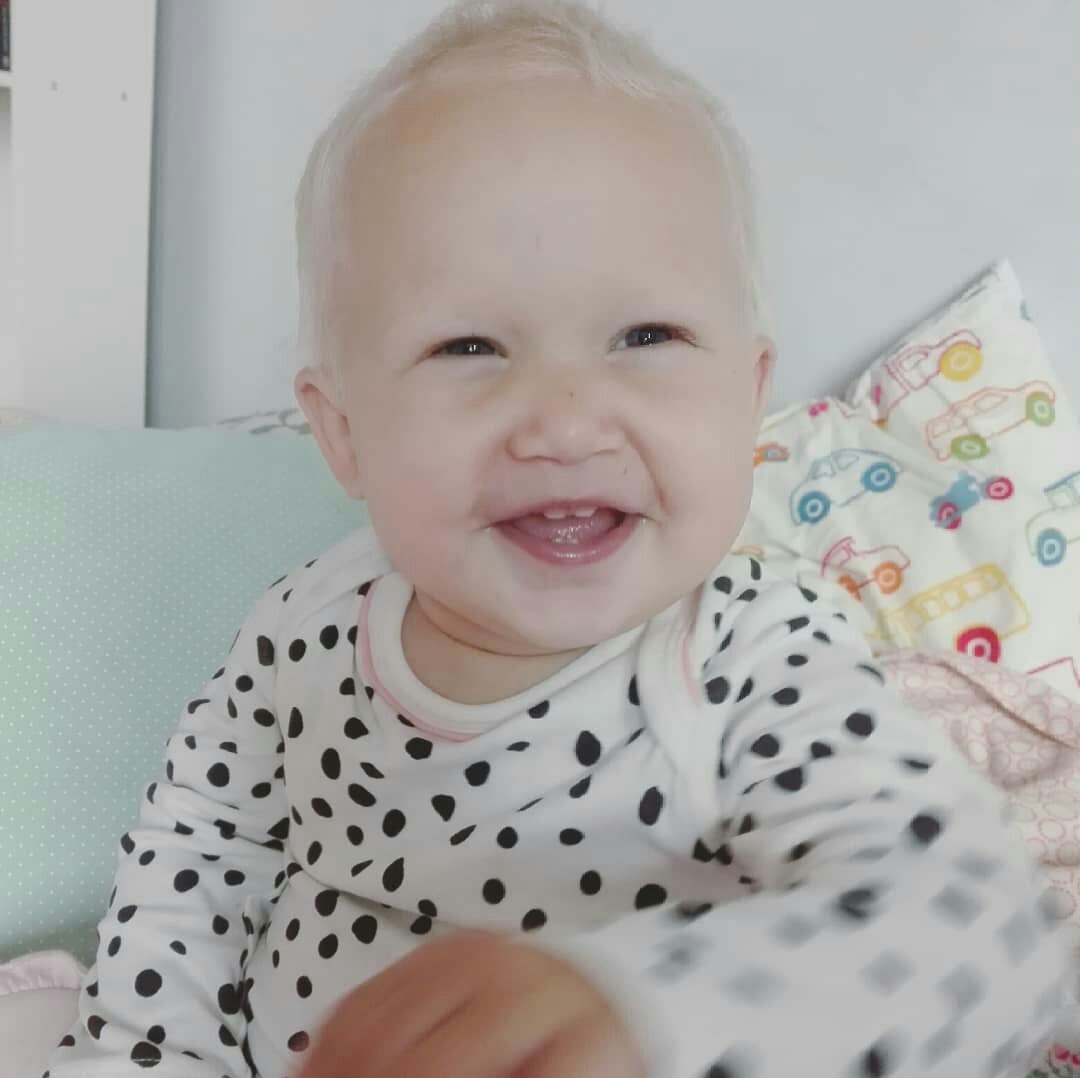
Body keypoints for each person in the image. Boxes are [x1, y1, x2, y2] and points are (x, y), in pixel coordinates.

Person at [46, 1, 1068, 1075]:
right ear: (342, 433)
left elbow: (979, 931)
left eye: (646, 335)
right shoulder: (302, 626)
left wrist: (647, 1013)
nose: (568, 424)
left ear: (746, 399)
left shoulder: (753, 660)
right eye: (470, 346)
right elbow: (196, 855)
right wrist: (147, 1055)